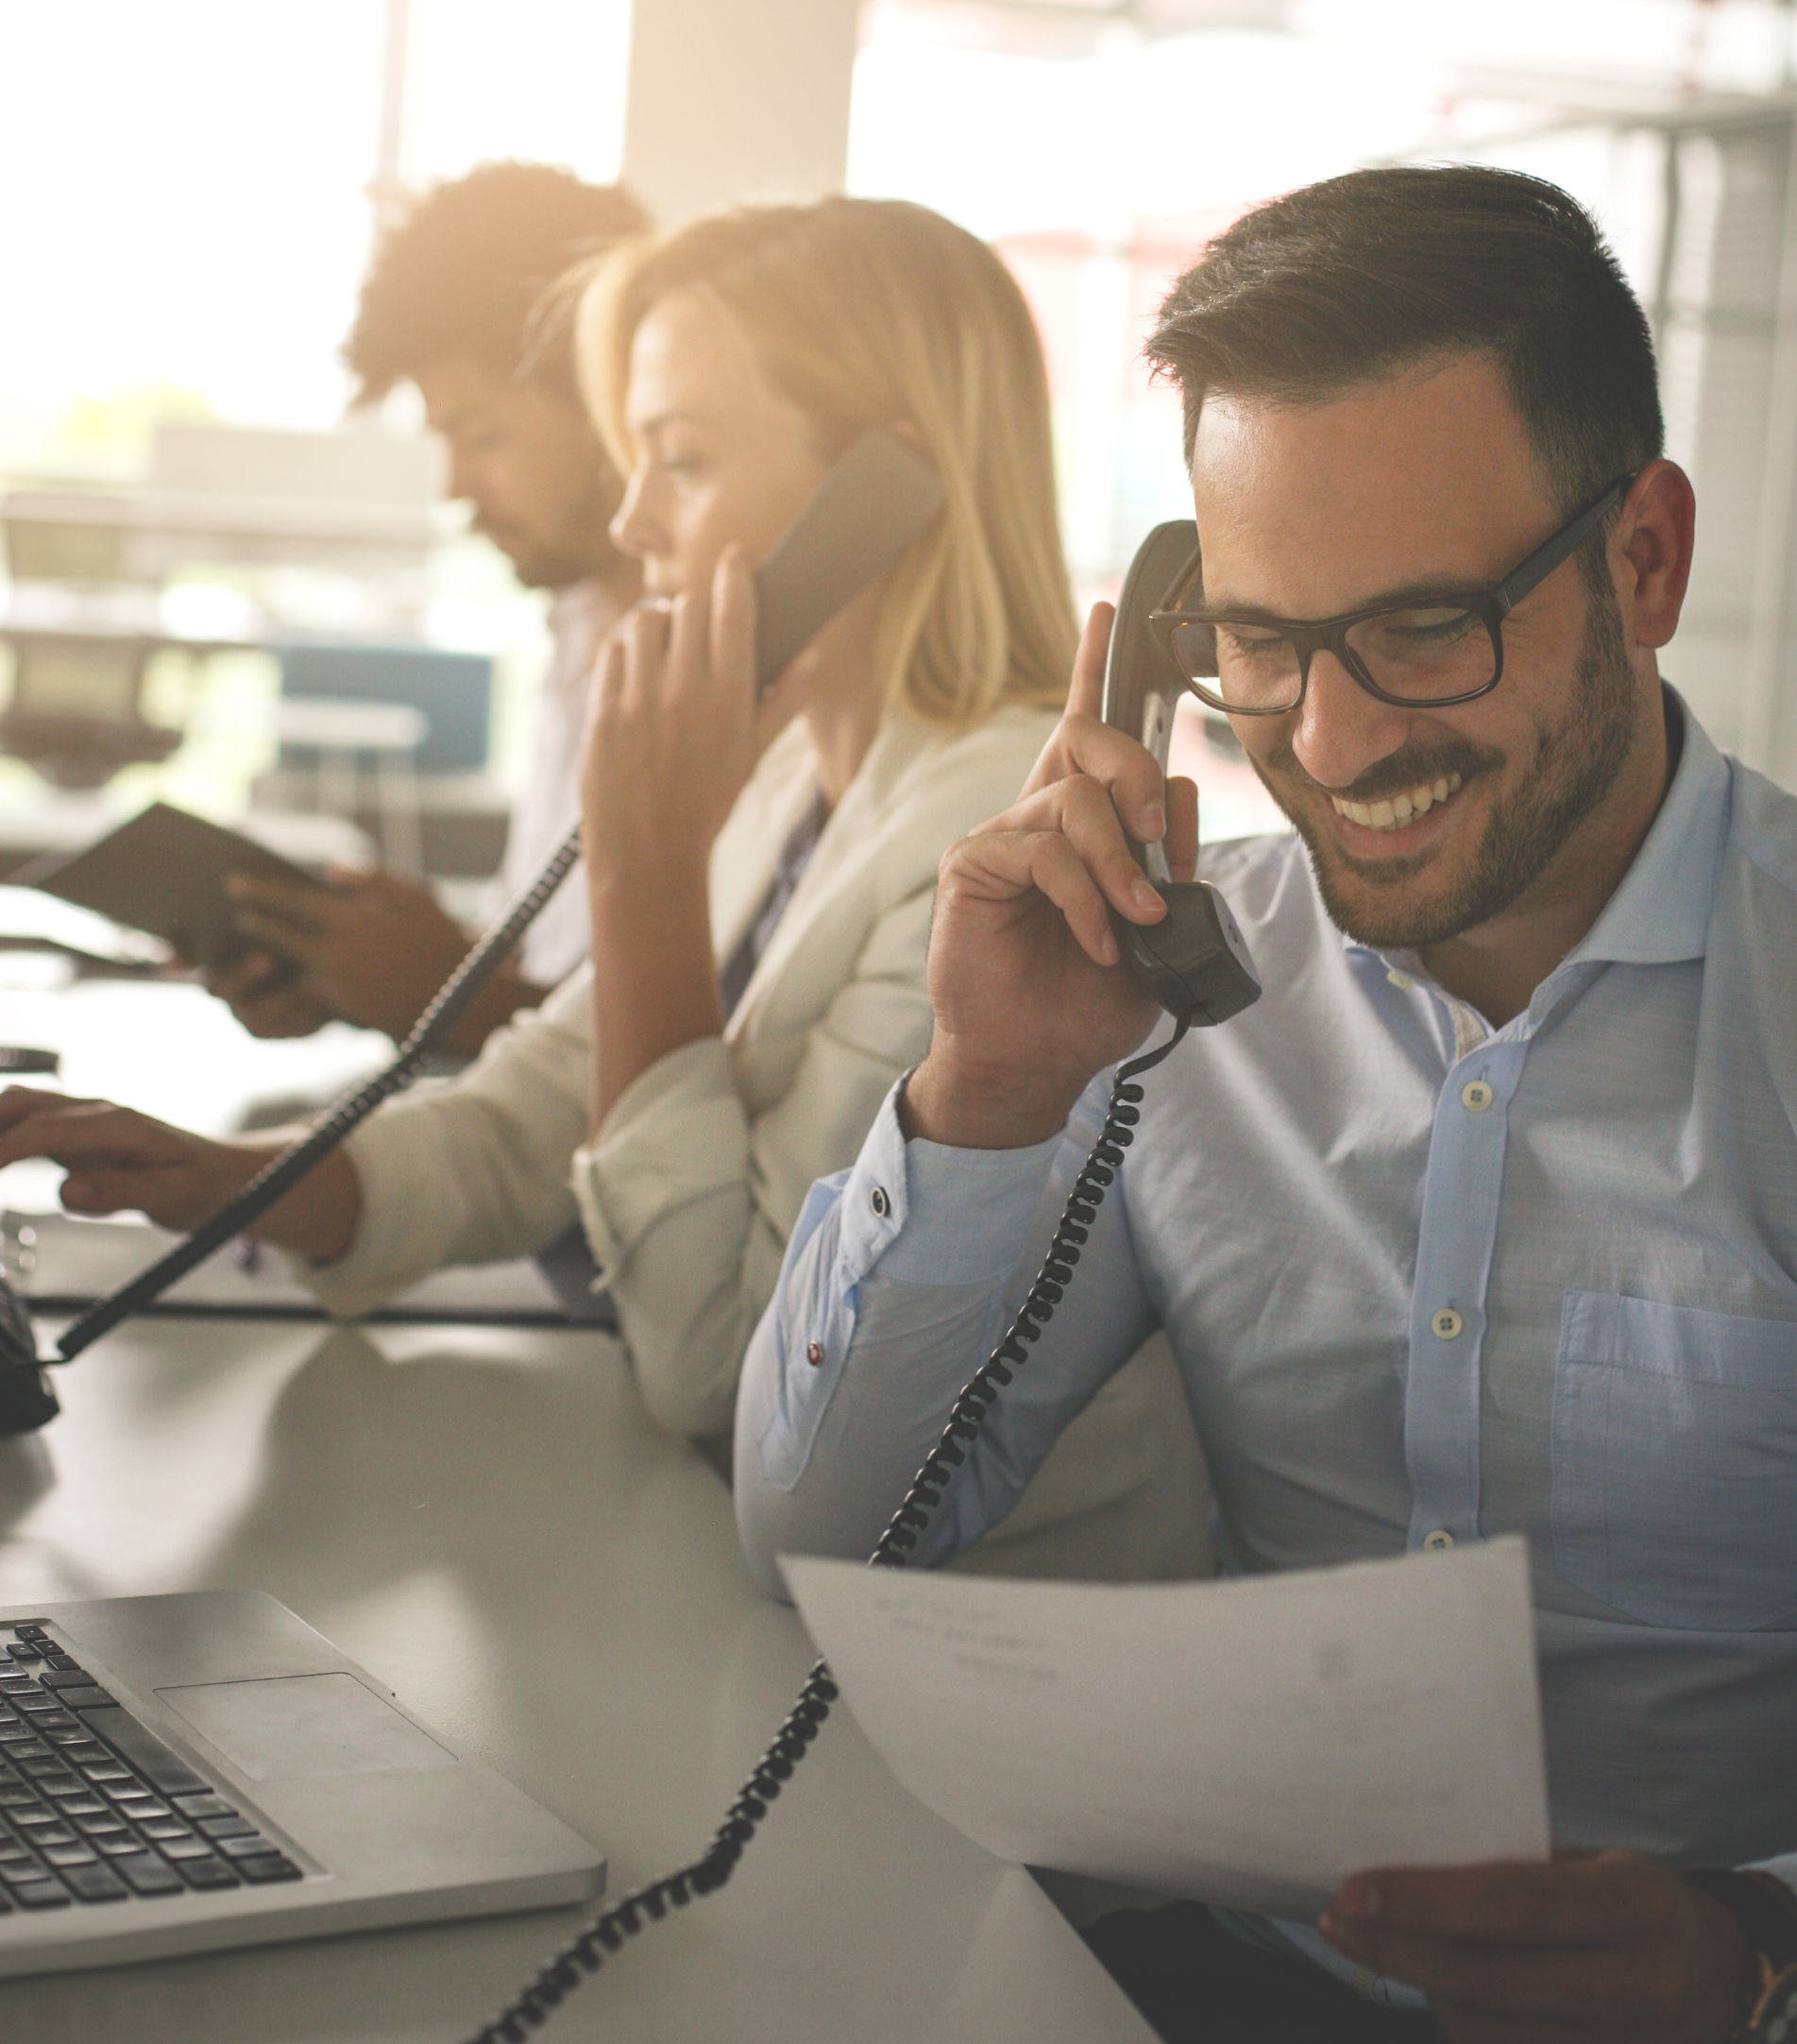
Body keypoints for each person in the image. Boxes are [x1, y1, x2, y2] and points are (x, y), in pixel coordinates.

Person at [736, 167, 1797, 2044]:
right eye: (1257, 643)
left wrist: (1765, 1960)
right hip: (1207, 2016)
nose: (1324, 744)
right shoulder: (1174, 984)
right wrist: (984, 1098)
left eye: (1423, 629)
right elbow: (820, 1530)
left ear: (1642, 559)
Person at [0, 197, 1212, 1575]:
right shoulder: (790, 776)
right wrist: (230, 1184)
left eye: (680, 460)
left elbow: (719, 1357)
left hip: (970, 1635)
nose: (632, 520)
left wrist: (642, 870)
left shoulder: (1003, 840)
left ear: (889, 491)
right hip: (724, 1559)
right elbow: (529, 1123)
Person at [211, 160, 647, 1058]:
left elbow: (688, 1070)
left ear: (612, 398)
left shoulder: (757, 677)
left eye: (480, 435)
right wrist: (380, 971)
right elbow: (556, 969)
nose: (455, 488)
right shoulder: (575, 625)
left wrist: (444, 995)